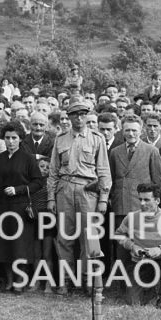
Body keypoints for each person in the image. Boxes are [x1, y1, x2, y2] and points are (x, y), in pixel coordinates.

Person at [47, 99, 111, 294]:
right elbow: (53, 171)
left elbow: (104, 171)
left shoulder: (96, 138)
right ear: (69, 117)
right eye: (75, 115)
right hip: (65, 189)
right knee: (64, 237)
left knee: (88, 238)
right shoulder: (60, 139)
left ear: (87, 116)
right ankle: (66, 280)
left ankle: (87, 280)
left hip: (87, 190)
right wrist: (51, 197)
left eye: (83, 114)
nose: (79, 118)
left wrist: (102, 199)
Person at [112, 182, 161, 308]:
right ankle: (150, 288)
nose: (142, 203)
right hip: (139, 263)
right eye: (140, 199)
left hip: (160, 262)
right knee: (133, 302)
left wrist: (159, 249)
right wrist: (132, 246)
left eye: (147, 200)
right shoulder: (131, 217)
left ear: (157, 200)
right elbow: (118, 235)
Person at [0, 122, 44, 291]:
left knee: (20, 246)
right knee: (3, 245)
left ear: (20, 139)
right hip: (3, 207)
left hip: (20, 208)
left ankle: (20, 281)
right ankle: (9, 279)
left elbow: (38, 182)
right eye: (7, 138)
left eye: (14, 138)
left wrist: (18, 189)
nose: (10, 141)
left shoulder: (27, 158)